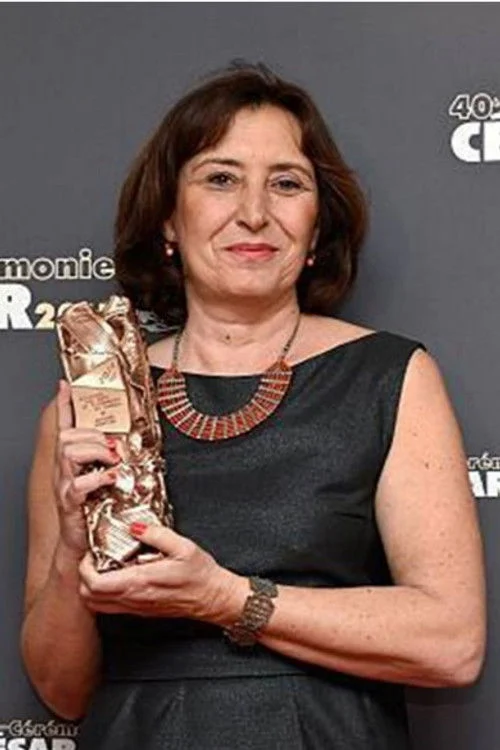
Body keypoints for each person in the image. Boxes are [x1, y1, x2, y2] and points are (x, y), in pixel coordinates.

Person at [21, 62, 486, 750]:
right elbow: (61, 691)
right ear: (168, 217)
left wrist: (225, 598)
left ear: (317, 228)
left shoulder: (391, 378)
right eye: (220, 178)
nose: (254, 213)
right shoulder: (90, 405)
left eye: (287, 183)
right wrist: (71, 549)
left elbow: (452, 644)